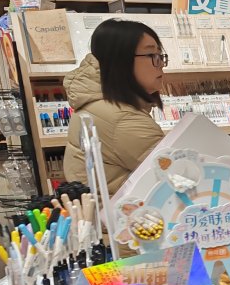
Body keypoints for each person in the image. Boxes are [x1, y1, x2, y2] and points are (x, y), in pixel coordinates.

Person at [63, 19, 166, 195]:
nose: (161, 64)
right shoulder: (123, 120)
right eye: (152, 55)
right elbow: (178, 174)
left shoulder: (99, 104)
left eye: (161, 55)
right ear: (120, 60)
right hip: (125, 211)